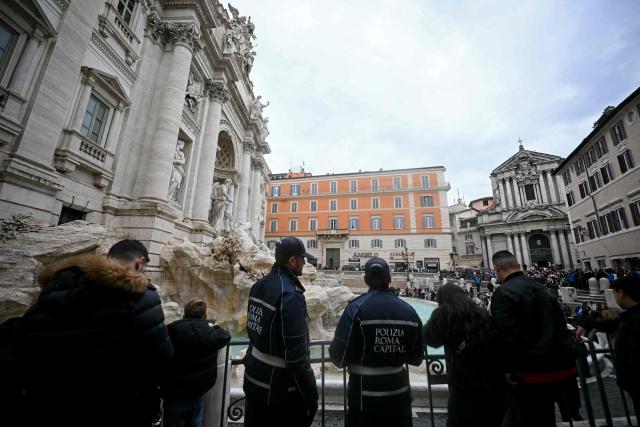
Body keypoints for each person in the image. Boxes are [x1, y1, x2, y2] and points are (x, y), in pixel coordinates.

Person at [1, 239, 173, 427]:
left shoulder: (56, 287)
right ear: (139, 263)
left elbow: (24, 346)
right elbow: (161, 359)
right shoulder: (141, 299)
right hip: (110, 408)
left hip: (45, 405)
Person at [329, 257, 424, 427]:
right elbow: (417, 358)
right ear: (389, 278)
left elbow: (338, 356)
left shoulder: (355, 308)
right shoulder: (409, 311)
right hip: (399, 393)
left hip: (364, 396)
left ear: (365, 279)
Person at [490, 251, 576, 427]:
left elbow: (506, 335)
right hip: (558, 364)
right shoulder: (542, 287)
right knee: (546, 419)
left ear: (497, 270)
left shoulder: (503, 293)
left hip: (530, 370)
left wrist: (507, 369)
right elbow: (559, 323)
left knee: (529, 418)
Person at [243, 237, 318, 427]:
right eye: (303, 258)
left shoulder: (259, 285)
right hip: (278, 391)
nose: (305, 262)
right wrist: (311, 396)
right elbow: (297, 357)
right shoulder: (290, 295)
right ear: (292, 261)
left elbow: (252, 330)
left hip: (253, 380)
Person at [424, 284, 505, 427]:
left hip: (464, 383)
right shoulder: (481, 312)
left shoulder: (444, 313)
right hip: (493, 381)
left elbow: (430, 338)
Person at [576, 276, 640, 418]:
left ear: (621, 293)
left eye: (614, 293)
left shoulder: (635, 319)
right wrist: (586, 324)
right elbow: (610, 325)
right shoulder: (629, 315)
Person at [162, 299, 231, 427]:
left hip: (174, 393)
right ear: (205, 316)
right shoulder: (211, 334)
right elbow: (226, 335)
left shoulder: (171, 330)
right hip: (197, 392)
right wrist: (212, 326)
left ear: (184, 314)